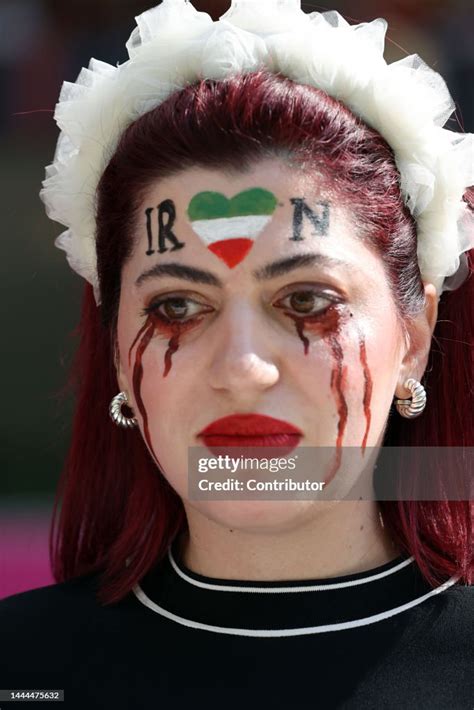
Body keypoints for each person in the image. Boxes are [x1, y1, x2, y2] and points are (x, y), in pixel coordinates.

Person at [1, 2, 472, 708]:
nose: (242, 369)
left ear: (415, 334)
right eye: (177, 309)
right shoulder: (19, 668)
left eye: (308, 302)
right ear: (112, 342)